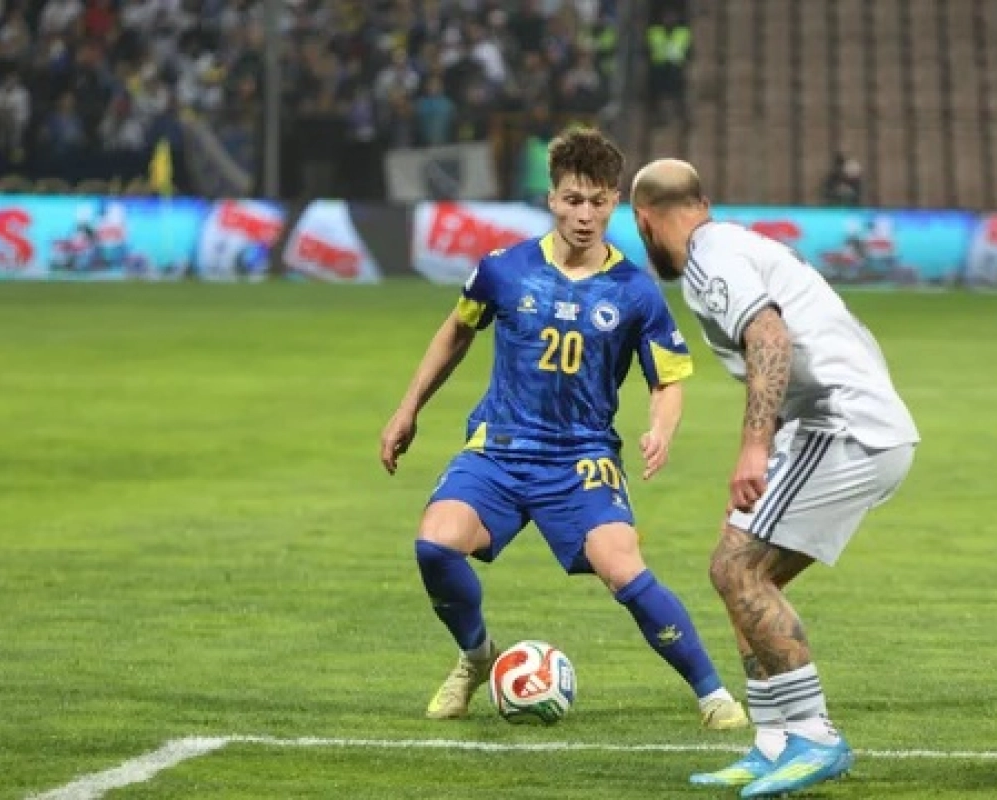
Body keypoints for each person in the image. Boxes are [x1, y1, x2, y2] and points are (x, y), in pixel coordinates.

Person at [380, 130, 748, 731]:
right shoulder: (504, 269)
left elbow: (668, 379)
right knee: (434, 544)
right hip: (499, 449)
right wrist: (408, 408)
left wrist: (661, 429)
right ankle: (476, 655)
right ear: (551, 199)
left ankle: (713, 695)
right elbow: (457, 331)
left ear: (614, 204)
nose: (584, 215)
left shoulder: (635, 291)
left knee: (622, 567)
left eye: (598, 202)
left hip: (581, 458)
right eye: (573, 200)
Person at [629, 159, 919, 798]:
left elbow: (769, 336)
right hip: (841, 422)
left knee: (738, 570)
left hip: (840, 424)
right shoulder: (734, 244)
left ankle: (814, 737)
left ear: (643, 220)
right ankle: (773, 743)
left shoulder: (709, 258)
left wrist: (755, 447)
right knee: (739, 573)